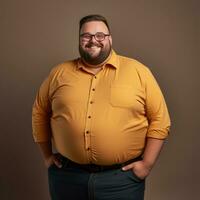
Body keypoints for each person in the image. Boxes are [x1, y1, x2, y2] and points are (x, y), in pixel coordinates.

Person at [32, 14, 171, 200]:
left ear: (110, 38)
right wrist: (47, 156)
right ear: (80, 39)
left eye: (100, 35)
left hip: (121, 180)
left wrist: (147, 164)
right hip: (67, 177)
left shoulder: (139, 72)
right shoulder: (59, 73)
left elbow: (160, 120)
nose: (93, 41)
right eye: (86, 36)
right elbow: (39, 113)